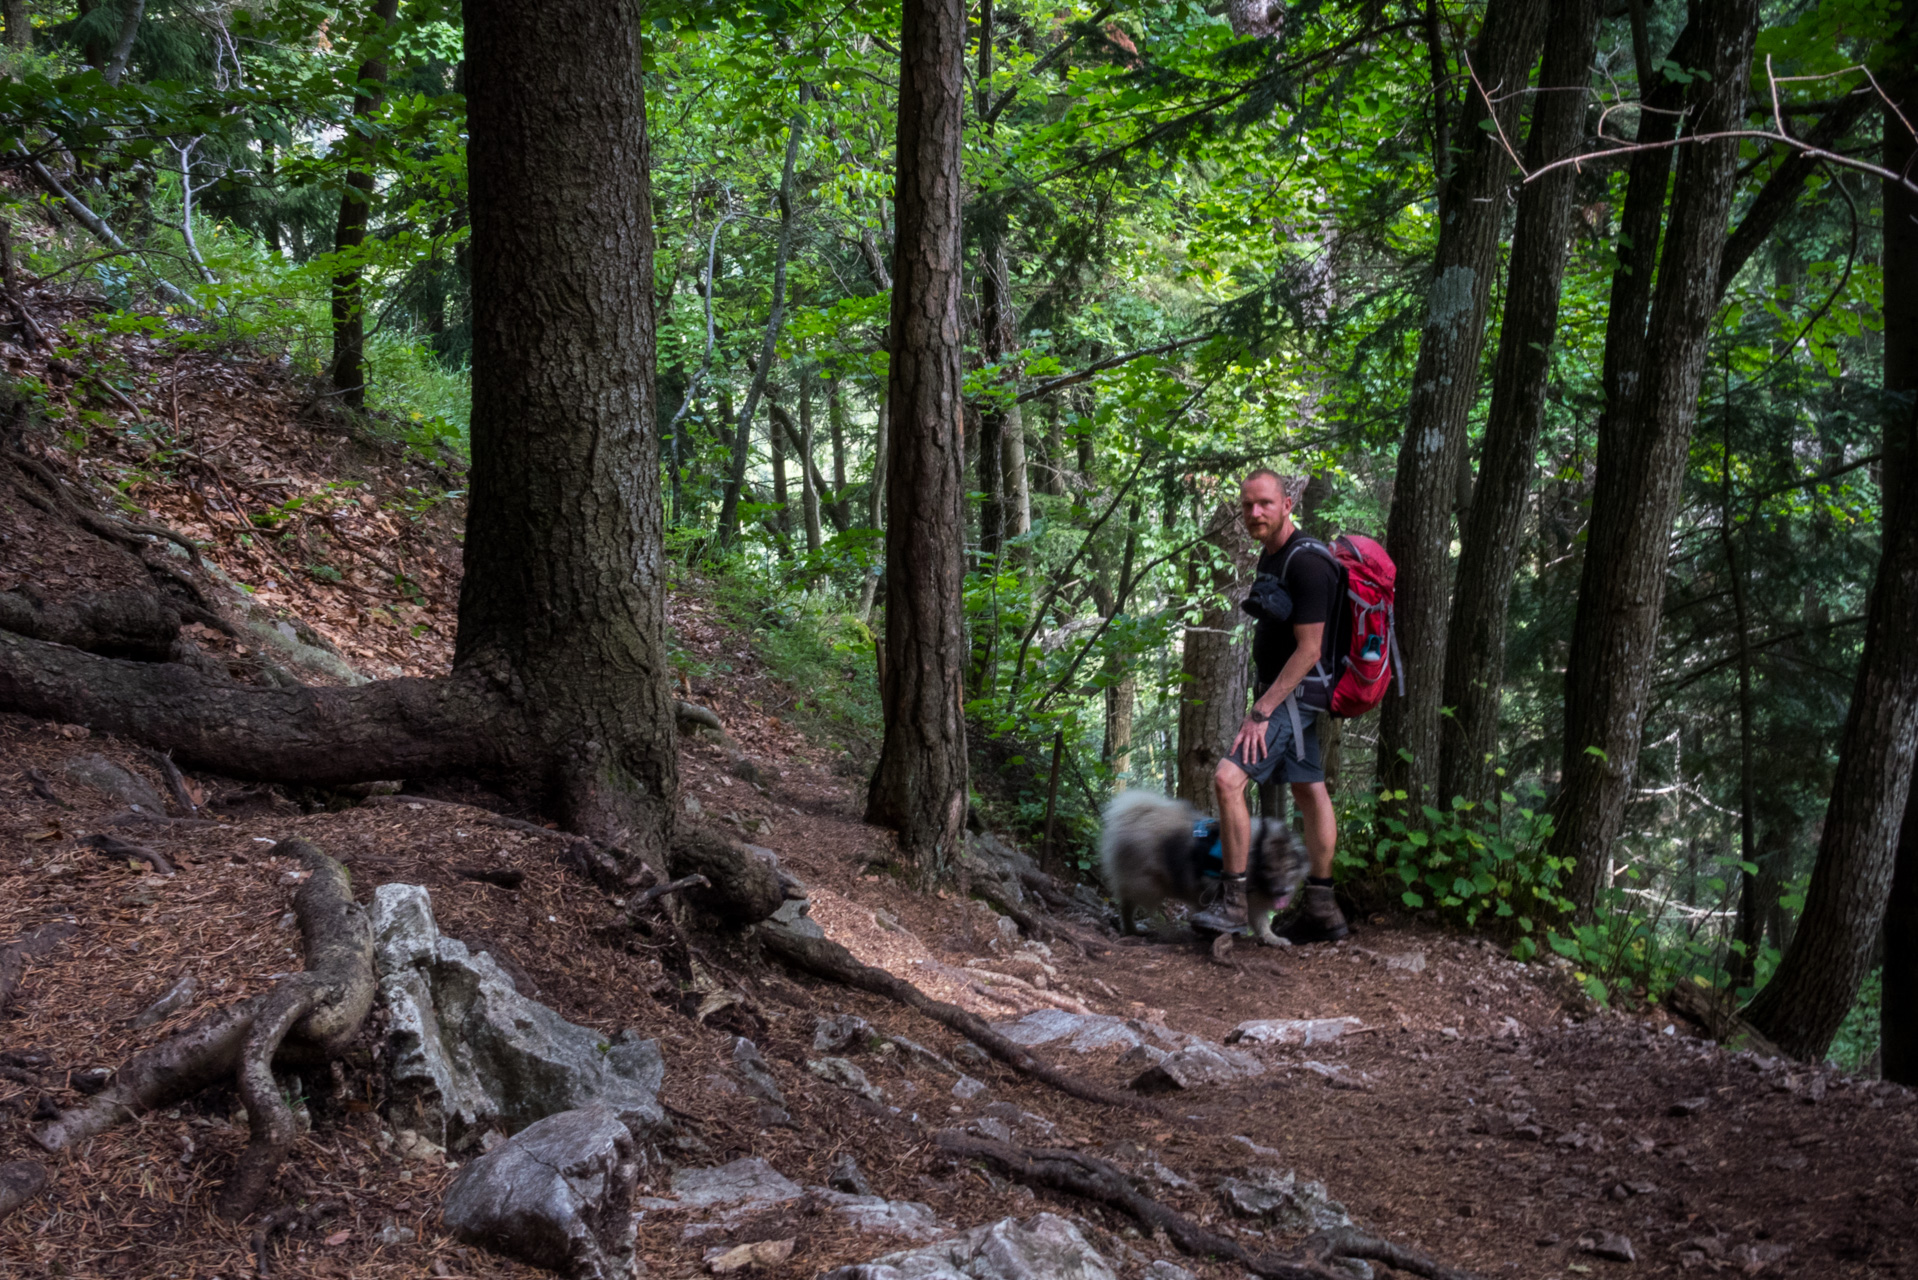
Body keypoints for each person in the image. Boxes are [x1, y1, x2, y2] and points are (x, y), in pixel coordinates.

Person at [1191, 468, 1348, 943]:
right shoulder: (1271, 556)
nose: (1254, 513)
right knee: (1309, 789)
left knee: (1227, 779)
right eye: (1247, 505)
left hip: (1293, 696)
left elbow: (1310, 649)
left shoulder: (1307, 563)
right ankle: (1324, 909)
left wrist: (1261, 711)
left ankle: (1233, 903)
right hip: (1290, 694)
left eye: (1264, 503)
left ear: (1287, 504)